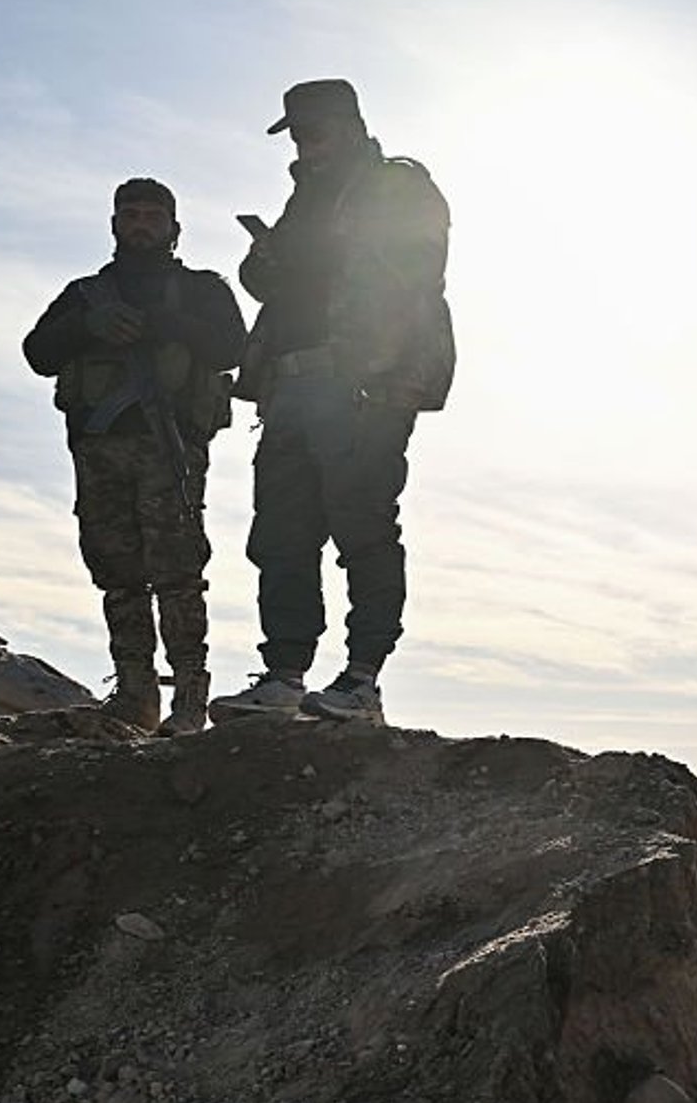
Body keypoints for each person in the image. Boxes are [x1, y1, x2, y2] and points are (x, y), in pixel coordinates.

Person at [209, 78, 454, 727]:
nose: (303, 144)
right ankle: (285, 677)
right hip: (288, 383)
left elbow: (416, 271)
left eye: (312, 130)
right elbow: (266, 283)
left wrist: (369, 362)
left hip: (363, 385)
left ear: (349, 124)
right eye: (294, 133)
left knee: (363, 525)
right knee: (280, 536)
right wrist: (266, 258)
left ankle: (362, 681)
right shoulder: (304, 197)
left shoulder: (396, 185)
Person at [24, 178, 246, 734]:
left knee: (178, 570)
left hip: (169, 446)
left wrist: (169, 325)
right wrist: (87, 326)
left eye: (152, 215)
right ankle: (134, 695)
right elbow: (38, 352)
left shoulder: (199, 289)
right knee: (116, 572)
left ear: (174, 228)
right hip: (100, 448)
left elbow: (231, 348)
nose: (141, 224)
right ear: (114, 224)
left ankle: (189, 699)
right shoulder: (86, 294)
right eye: (131, 215)